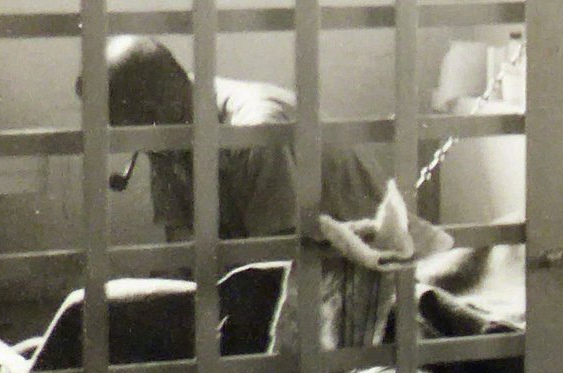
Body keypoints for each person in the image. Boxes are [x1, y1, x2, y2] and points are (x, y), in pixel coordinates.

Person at [87, 35, 386, 241]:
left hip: (359, 270)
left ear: (157, 110)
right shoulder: (169, 131)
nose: (141, 149)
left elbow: (276, 259)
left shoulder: (253, 129)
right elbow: (182, 249)